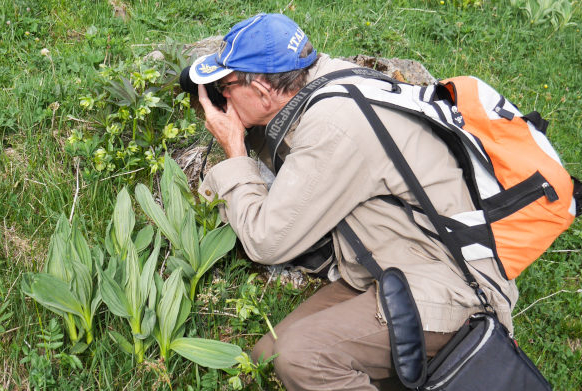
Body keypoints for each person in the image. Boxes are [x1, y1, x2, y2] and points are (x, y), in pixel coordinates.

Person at [189, 13, 517, 391]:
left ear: (263, 89)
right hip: (391, 267)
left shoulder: (334, 125)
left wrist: (233, 149)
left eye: (226, 85)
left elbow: (266, 241)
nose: (223, 95)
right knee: (271, 354)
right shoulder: (330, 82)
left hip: (451, 288)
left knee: (301, 358)